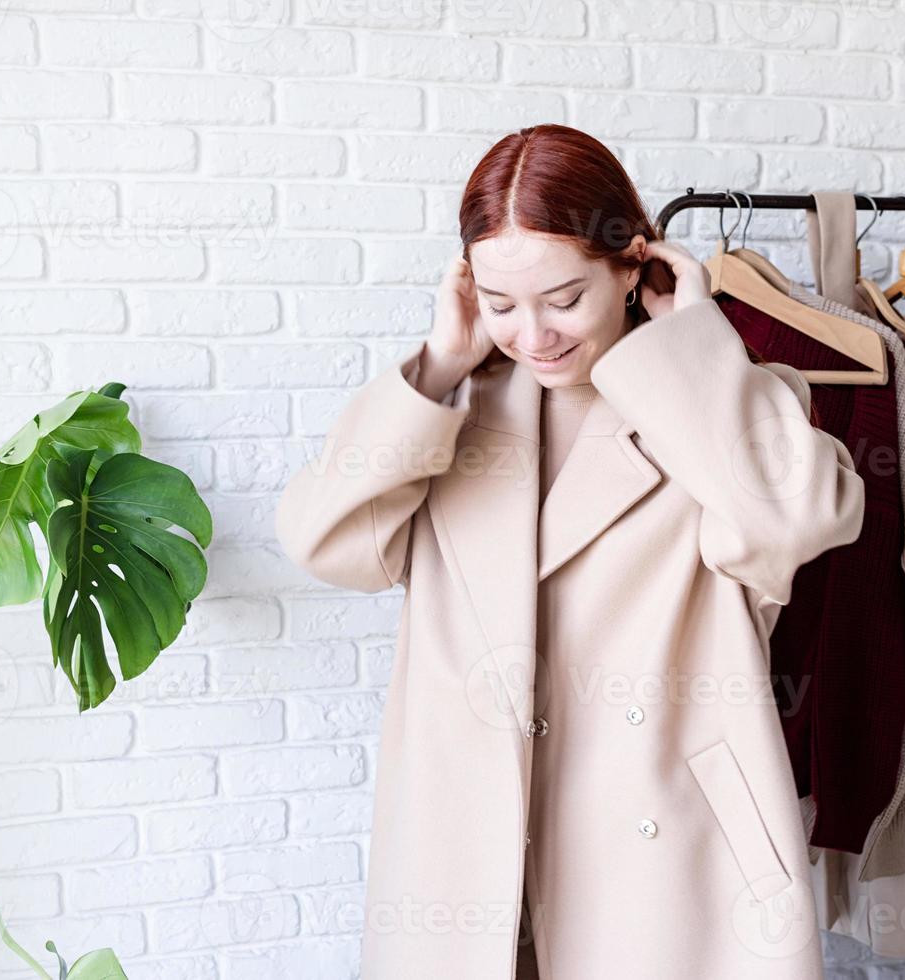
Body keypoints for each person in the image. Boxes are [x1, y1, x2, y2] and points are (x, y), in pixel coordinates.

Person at [275, 123, 866, 979]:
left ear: (634, 267)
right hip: (472, 854)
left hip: (657, 847)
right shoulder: (451, 416)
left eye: (562, 298)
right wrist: (441, 362)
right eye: (501, 303)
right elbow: (322, 541)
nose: (534, 335)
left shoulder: (717, 402)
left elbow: (793, 520)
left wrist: (693, 337)